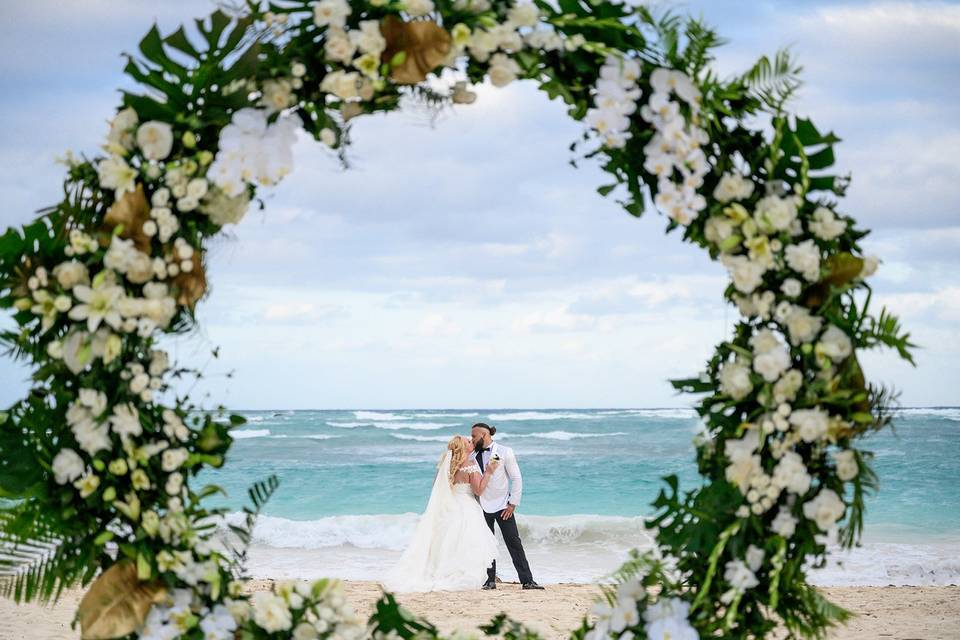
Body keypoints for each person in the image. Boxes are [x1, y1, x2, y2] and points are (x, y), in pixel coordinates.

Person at [382, 436, 500, 592]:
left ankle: (441, 572)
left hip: (450, 507)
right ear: (463, 448)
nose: (472, 443)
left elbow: (437, 489)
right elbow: (478, 490)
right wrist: (489, 472)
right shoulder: (470, 466)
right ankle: (460, 573)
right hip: (467, 506)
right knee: (467, 542)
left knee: (447, 542)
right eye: (468, 442)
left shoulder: (445, 467)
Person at [471, 422, 544, 590]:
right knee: (486, 544)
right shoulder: (472, 455)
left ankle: (527, 581)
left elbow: (516, 478)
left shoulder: (503, 452)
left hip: (503, 505)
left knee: (514, 543)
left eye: (474, 436)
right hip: (481, 505)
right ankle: (489, 581)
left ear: (484, 435)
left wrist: (512, 503)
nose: (472, 439)